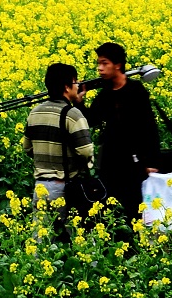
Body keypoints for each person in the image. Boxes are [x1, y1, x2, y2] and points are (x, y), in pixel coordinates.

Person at [82, 42, 160, 227]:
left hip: (134, 161)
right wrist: (79, 102)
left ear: (117, 65)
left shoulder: (136, 91)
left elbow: (149, 128)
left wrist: (152, 162)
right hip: (110, 160)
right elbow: (91, 120)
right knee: (106, 207)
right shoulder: (105, 94)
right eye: (98, 64)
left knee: (136, 206)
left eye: (104, 63)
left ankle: (142, 246)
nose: (99, 68)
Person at [23, 63, 94, 230]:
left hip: (40, 186)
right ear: (66, 87)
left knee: (41, 240)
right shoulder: (73, 114)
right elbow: (86, 151)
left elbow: (27, 148)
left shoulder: (35, 112)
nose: (78, 86)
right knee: (79, 238)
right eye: (75, 82)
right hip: (65, 187)